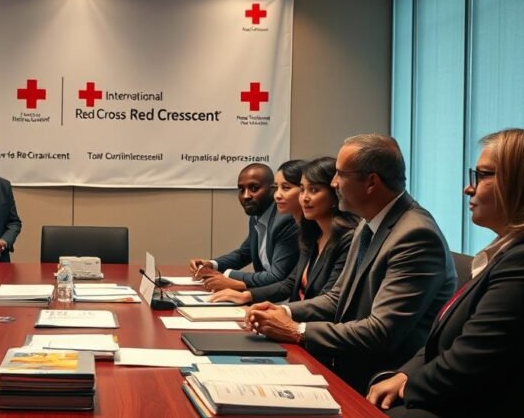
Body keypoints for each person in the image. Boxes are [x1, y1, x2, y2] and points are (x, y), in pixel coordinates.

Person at [368, 129, 524, 418]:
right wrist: (404, 377)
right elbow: (438, 347)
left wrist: (407, 384)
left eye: (482, 175)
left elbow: (466, 367)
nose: (468, 187)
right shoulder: (514, 254)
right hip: (469, 414)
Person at [245, 134, 457, 392]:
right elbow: (337, 298)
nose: (334, 183)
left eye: (340, 175)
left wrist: (296, 330)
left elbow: (381, 332)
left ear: (371, 182)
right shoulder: (368, 225)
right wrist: (285, 313)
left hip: (378, 378)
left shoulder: (415, 235)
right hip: (345, 361)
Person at [211, 157, 357, 304]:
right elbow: (289, 284)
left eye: (313, 190)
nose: (305, 197)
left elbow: (330, 301)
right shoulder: (311, 235)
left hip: (312, 322)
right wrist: (247, 296)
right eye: (302, 190)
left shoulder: (348, 239)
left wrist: (282, 312)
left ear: (335, 194)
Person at [191, 162, 300, 292]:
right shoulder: (256, 216)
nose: (246, 196)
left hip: (282, 298)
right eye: (241, 189)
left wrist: (228, 277)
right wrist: (212, 264)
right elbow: (244, 253)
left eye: (254, 188)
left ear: (272, 189)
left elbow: (277, 276)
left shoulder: (286, 220)